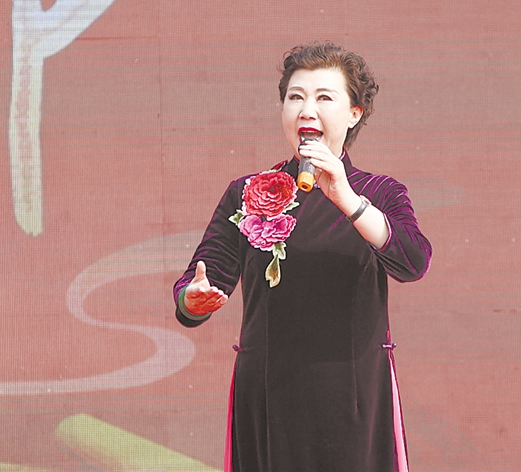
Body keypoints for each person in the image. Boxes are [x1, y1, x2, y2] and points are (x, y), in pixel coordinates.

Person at [173, 41, 432, 472]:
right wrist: (193, 299)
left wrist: (347, 199)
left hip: (353, 398)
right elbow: (201, 281)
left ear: (354, 114)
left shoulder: (380, 193)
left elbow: (413, 261)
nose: (306, 110)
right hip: (268, 398)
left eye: (324, 98)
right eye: (295, 97)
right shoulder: (248, 193)